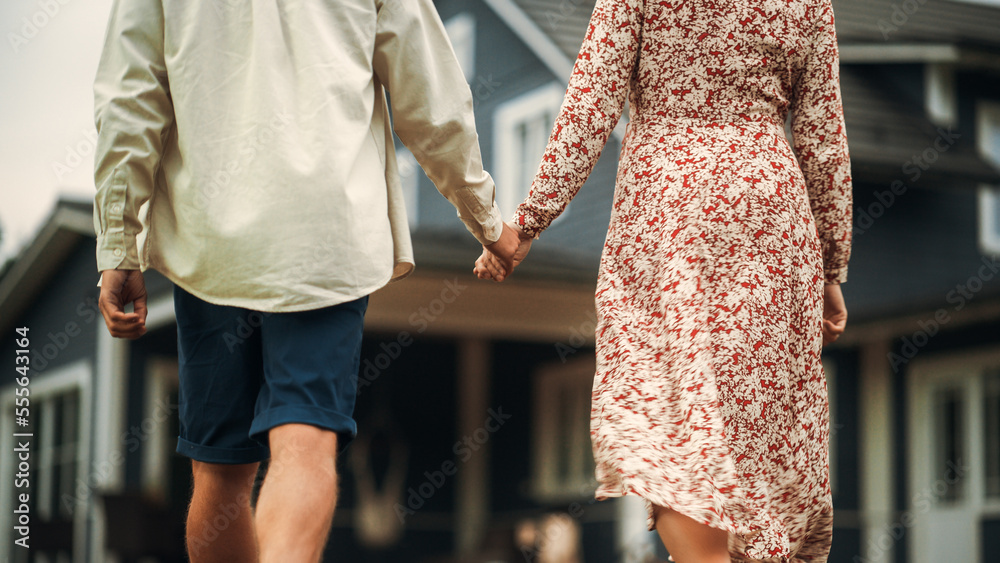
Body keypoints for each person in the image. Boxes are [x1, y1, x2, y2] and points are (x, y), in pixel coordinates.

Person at [92, 1, 518, 561]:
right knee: (304, 443)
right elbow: (430, 96)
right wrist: (486, 218)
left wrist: (118, 245)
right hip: (324, 233)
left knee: (219, 471)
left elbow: (130, 95)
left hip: (211, 238)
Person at [476, 0, 851, 561]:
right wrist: (830, 266)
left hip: (673, 210)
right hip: (774, 215)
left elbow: (592, 97)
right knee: (757, 425)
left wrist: (530, 220)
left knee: (676, 416)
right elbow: (823, 138)